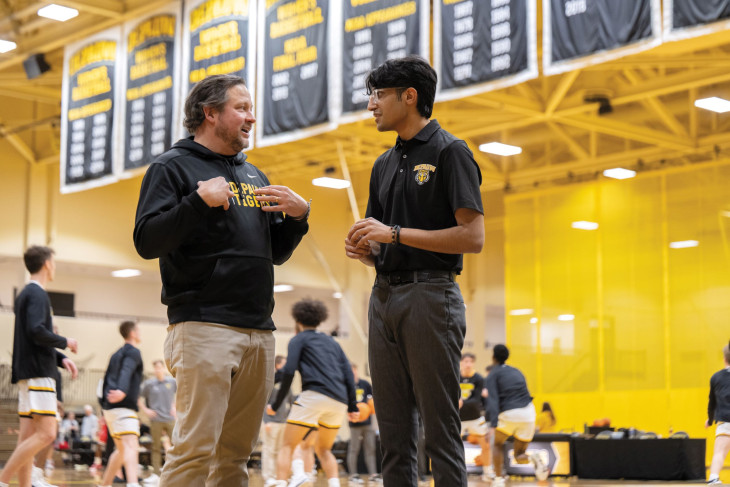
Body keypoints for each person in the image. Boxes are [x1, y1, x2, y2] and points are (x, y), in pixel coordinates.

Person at [133, 73, 310, 486]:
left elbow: (275, 253)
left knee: (235, 457)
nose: (251, 117)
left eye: (251, 109)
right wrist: (197, 201)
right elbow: (146, 240)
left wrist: (299, 219)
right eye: (242, 108)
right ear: (209, 113)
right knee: (195, 452)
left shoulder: (255, 176)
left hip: (259, 331)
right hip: (203, 324)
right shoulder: (171, 167)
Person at [345, 55, 484, 487]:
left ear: (410, 97)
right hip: (383, 296)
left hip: (432, 296)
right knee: (394, 436)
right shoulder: (382, 164)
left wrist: (395, 234)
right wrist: (367, 250)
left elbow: (472, 237)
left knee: (440, 432)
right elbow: (383, 238)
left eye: (379, 95)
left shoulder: (451, 151)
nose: (371, 105)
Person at [0, 245, 78, 487]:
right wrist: (66, 342)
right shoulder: (37, 294)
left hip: (28, 373)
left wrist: (59, 358)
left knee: (27, 438)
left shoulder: (25, 294)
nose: (54, 266)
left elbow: (33, 337)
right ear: (46, 264)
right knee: (47, 434)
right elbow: (36, 331)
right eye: (53, 262)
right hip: (38, 375)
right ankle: (2, 479)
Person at [267, 298, 359, 487]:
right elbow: (349, 374)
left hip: (314, 396)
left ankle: (282, 482)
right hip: (339, 402)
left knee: (287, 446)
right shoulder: (332, 342)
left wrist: (275, 405)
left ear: (297, 321)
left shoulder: (298, 339)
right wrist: (352, 405)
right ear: (319, 320)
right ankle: (334, 485)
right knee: (324, 450)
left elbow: (289, 371)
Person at [97, 321, 152, 487]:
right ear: (133, 333)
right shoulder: (134, 352)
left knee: (121, 450)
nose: (140, 333)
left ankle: (105, 484)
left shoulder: (115, 354)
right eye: (139, 330)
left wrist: (103, 404)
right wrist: (121, 390)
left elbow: (105, 379)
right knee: (131, 445)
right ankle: (133, 483)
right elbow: (126, 370)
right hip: (122, 405)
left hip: (109, 408)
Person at [486, 345, 547, 487]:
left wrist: (493, 424)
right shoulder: (517, 371)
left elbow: (493, 401)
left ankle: (498, 479)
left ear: (493, 357)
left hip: (509, 414)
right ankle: (533, 457)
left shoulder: (493, 374)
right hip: (528, 413)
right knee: (519, 455)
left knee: (496, 444)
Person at [138, 360, 177, 481]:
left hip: (170, 419)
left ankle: (176, 471)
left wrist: (175, 406)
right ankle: (155, 474)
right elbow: (138, 398)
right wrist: (146, 410)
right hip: (156, 420)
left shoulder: (172, 381)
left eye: (159, 367)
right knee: (155, 447)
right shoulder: (149, 384)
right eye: (155, 368)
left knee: (176, 445)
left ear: (164, 368)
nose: (157, 370)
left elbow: (182, 393)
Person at [458, 353, 492, 481]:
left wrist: (462, 402)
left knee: (486, 445)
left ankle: (487, 472)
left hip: (475, 418)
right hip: (458, 418)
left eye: (470, 362)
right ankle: (457, 472)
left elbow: (476, 399)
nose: (468, 364)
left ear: (473, 363)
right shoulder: (456, 376)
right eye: (465, 361)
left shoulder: (478, 378)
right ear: (461, 362)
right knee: (454, 447)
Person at [262, 356, 294, 487]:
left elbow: (291, 401)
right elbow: (263, 401)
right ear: (278, 365)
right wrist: (266, 420)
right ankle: (268, 477)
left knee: (279, 451)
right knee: (268, 450)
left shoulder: (286, 383)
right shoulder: (271, 380)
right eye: (285, 364)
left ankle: (276, 475)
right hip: (271, 422)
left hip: (283, 422)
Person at [347, 364, 379, 484]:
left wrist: (371, 407)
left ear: (356, 371)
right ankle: (353, 474)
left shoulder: (365, 384)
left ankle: (373, 474)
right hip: (354, 423)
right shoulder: (347, 385)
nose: (353, 373)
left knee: (370, 448)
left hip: (367, 423)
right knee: (354, 449)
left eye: (354, 371)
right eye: (350, 371)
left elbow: (372, 400)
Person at [706, 340, 730, 485]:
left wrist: (709, 420)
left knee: (719, 452)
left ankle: (713, 477)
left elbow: (711, 403)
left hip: (725, 420)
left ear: (724, 359)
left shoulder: (716, 378)